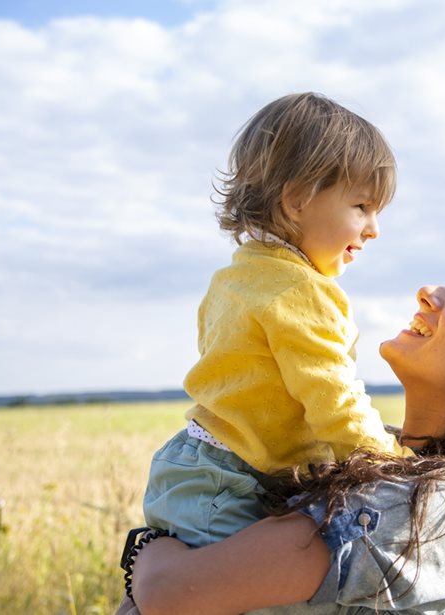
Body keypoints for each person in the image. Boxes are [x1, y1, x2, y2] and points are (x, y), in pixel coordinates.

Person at [119, 259, 445, 615]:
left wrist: (150, 544)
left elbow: (170, 594)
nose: (429, 292)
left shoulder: (440, 505)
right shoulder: (380, 460)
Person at [142, 92, 413, 554]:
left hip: (195, 466)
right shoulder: (302, 290)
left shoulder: (236, 275)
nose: (374, 229)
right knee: (237, 588)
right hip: (231, 484)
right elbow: (335, 401)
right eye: (361, 207)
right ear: (297, 200)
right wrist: (397, 465)